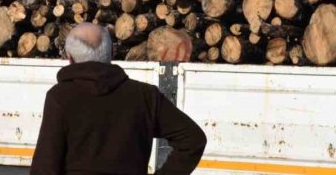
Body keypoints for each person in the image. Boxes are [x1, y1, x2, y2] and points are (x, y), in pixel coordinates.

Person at [30, 23, 206, 175]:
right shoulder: (145, 95)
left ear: (70, 58)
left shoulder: (60, 97)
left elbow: (45, 167)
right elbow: (193, 139)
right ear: (111, 53)